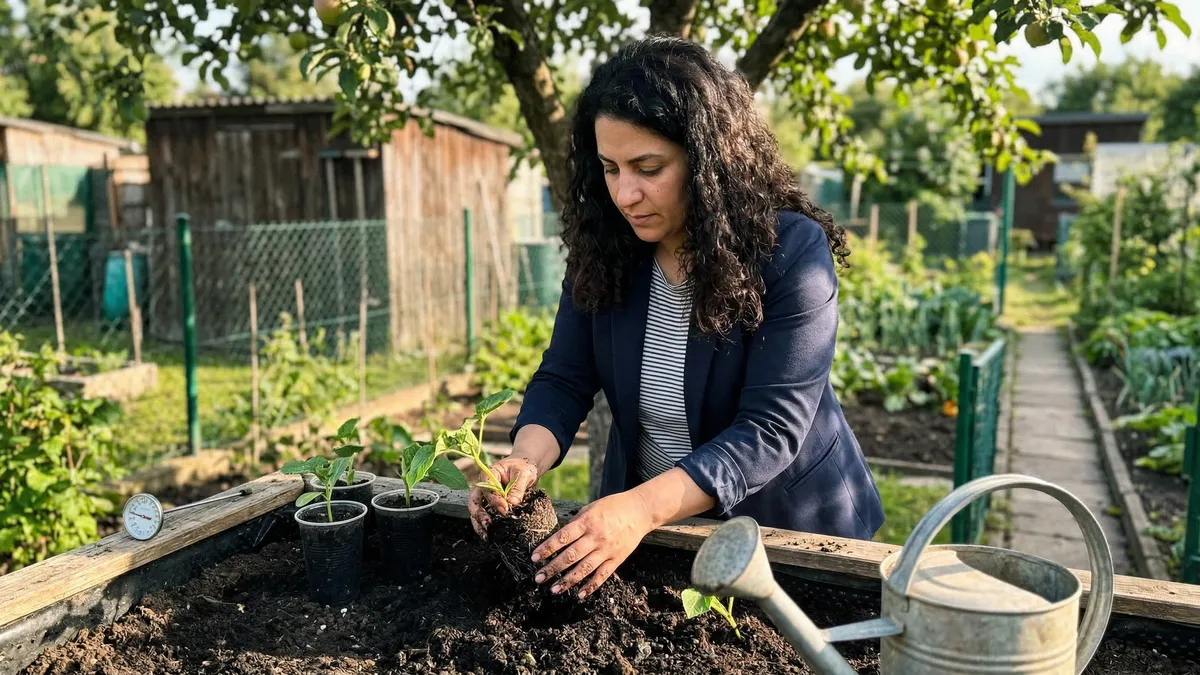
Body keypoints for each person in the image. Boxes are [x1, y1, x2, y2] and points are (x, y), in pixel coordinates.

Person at [467, 35, 884, 601]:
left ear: (710, 160)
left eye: (648, 167)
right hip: (662, 535)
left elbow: (770, 429)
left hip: (788, 533)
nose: (625, 193)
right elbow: (564, 378)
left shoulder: (790, 251)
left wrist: (638, 509)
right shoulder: (606, 249)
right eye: (610, 168)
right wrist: (523, 459)